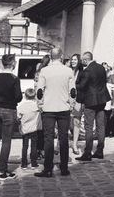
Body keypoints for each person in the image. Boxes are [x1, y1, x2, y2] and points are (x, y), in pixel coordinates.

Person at [34, 47, 76, 177]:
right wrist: (71, 105)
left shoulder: (44, 71)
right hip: (63, 108)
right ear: (61, 56)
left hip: (48, 108)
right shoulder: (68, 71)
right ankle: (64, 168)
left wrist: (40, 105)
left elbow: (40, 91)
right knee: (64, 138)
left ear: (50, 56)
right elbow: (73, 91)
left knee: (48, 139)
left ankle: (48, 168)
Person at [0, 53, 22, 180]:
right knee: (6, 141)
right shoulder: (14, 79)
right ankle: (2, 171)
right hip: (9, 109)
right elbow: (18, 97)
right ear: (12, 63)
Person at [76, 51, 111, 161]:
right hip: (102, 99)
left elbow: (81, 86)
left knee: (89, 127)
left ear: (86, 60)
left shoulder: (88, 70)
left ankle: (87, 152)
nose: (82, 62)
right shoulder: (101, 67)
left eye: (82, 60)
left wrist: (75, 82)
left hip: (91, 101)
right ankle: (100, 150)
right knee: (101, 126)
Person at [17, 88, 41, 170]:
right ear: (35, 96)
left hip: (25, 129)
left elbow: (18, 117)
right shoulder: (37, 106)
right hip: (34, 128)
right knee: (34, 146)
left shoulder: (21, 106)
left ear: (25, 96)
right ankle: (33, 163)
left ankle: (24, 164)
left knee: (25, 146)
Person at [69, 53, 83, 156]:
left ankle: (74, 144)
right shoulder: (67, 71)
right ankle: (59, 145)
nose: (73, 61)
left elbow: (82, 86)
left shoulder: (81, 72)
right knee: (64, 122)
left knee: (76, 122)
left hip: (78, 100)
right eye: (72, 59)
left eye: (75, 59)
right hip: (66, 99)